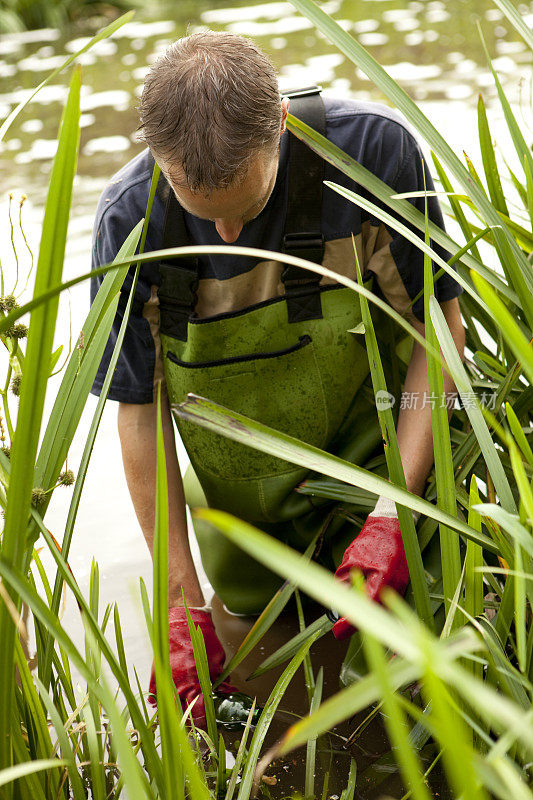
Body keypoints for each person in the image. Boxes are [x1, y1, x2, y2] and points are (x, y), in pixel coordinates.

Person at [90, 31, 465, 727]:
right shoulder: (127, 218)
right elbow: (139, 414)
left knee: (412, 693)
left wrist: (393, 515)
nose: (227, 234)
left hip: (383, 454)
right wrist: (181, 602)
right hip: (243, 498)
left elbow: (438, 339)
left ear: (282, 129)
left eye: (246, 203)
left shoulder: (371, 155)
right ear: (157, 159)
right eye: (201, 209)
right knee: (262, 698)